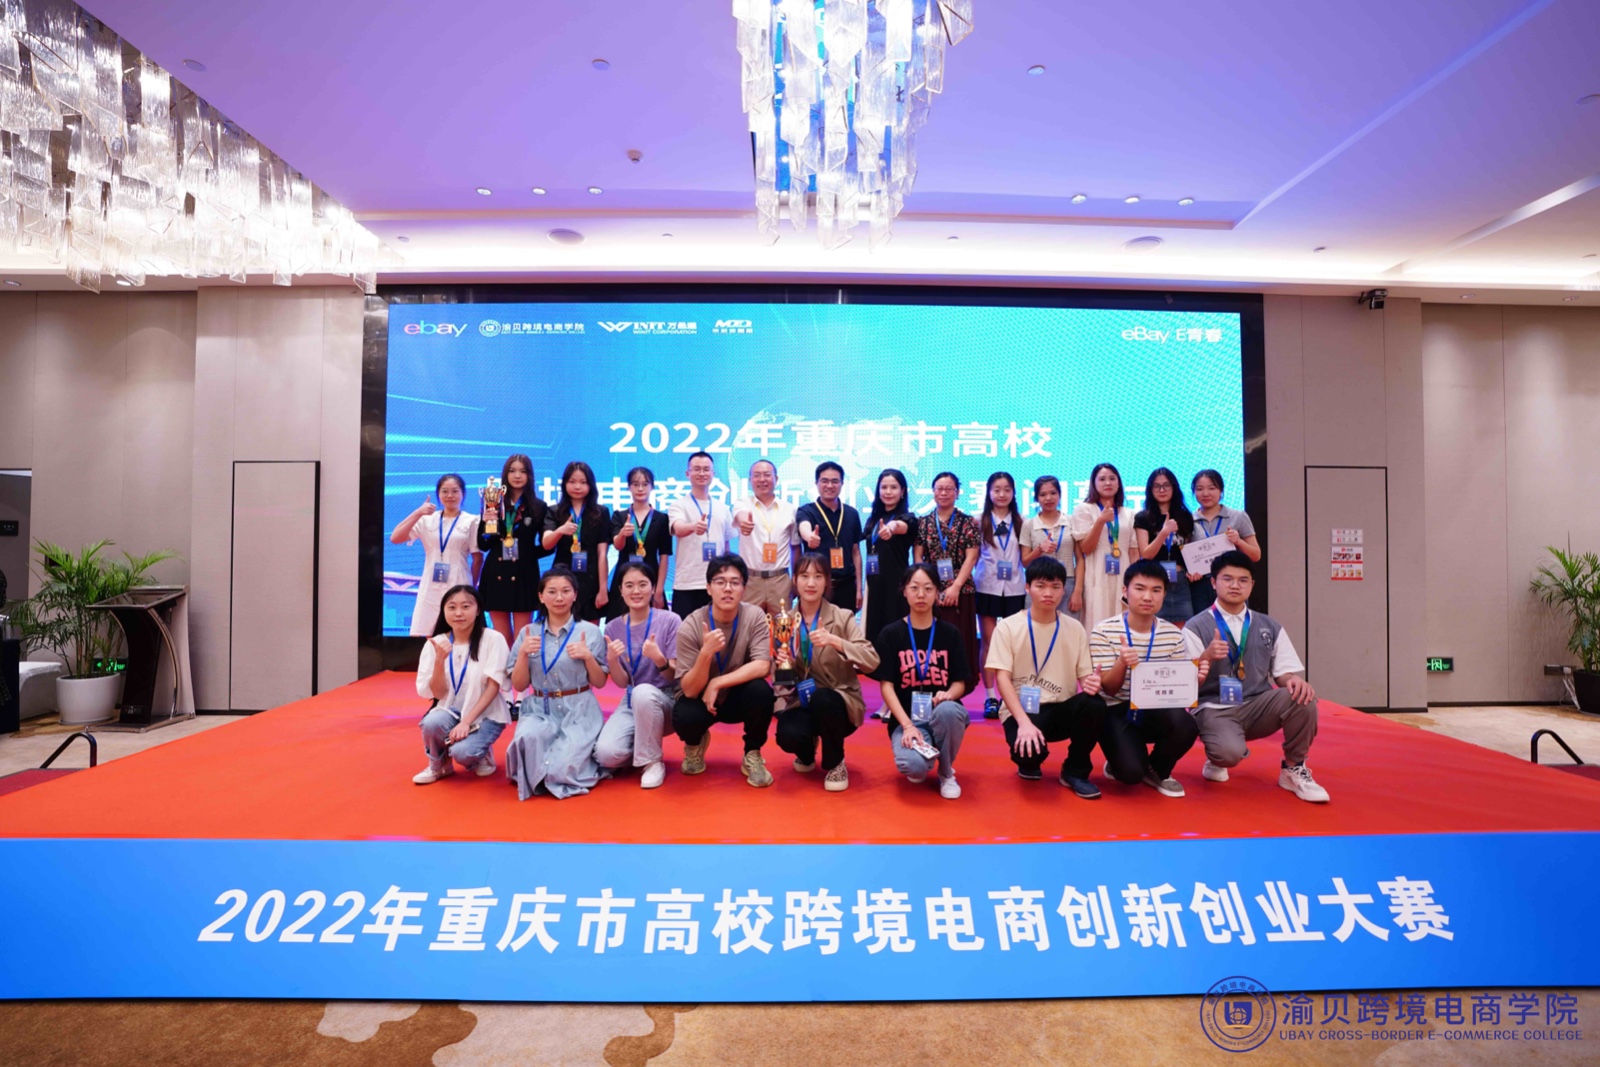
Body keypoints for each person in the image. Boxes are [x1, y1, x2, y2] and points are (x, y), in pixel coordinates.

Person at [1184, 551, 1328, 803]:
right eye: (1227, 579)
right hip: (1214, 707)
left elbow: (1283, 673)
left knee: (1302, 697)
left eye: (1243, 580)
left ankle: (1293, 767)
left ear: (1252, 585)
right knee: (1228, 753)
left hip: (1257, 705)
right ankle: (1216, 757)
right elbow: (1186, 683)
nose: (1235, 585)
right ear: (1213, 582)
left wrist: (1293, 680)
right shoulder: (1195, 626)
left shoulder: (1268, 625)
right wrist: (1206, 656)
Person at [986, 556, 1108, 797]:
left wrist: (1091, 683)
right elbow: (1002, 679)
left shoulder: (1075, 628)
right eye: (1040, 586)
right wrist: (1023, 723)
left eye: (1055, 586)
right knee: (1029, 756)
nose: (1048, 593)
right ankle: (1029, 761)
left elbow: (1085, 677)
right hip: (1021, 710)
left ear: (1064, 590)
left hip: (1060, 708)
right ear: (1027, 587)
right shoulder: (1008, 627)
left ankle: (1075, 770)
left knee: (1094, 704)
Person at [1087, 560, 1207, 797]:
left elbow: (1177, 694)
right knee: (1130, 774)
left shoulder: (1173, 634)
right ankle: (1123, 759)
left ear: (1164, 594)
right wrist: (1122, 662)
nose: (1147, 597)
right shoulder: (1104, 631)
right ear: (1125, 591)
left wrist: (1197, 681)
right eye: (1140, 589)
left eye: (1156, 590)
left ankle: (1157, 769)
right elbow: (1108, 690)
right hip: (1117, 709)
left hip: (1154, 706)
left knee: (1186, 724)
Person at [772, 553, 881, 792]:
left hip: (838, 703)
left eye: (818, 576)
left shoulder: (842, 616)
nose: (811, 583)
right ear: (795, 580)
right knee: (787, 734)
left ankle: (835, 763)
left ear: (827, 581)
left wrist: (835, 641)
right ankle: (806, 750)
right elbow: (779, 681)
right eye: (804, 576)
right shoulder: (785, 621)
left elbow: (872, 660)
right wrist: (783, 664)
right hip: (801, 701)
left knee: (824, 699)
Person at [672, 554, 778, 787]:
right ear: (708, 588)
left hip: (736, 696)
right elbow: (688, 690)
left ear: (744, 589)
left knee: (761, 692)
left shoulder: (754, 616)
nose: (727, 588)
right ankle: (694, 744)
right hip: (701, 699)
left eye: (735, 582)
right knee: (684, 714)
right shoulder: (691, 624)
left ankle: (752, 754)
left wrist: (717, 682)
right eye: (720, 582)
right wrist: (705, 654)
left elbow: (763, 665)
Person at [506, 567, 609, 800]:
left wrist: (588, 657)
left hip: (579, 710)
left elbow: (600, 682)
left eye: (565, 591)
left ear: (575, 595)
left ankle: (578, 759)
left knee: (560, 771)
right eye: (552, 592)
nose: (559, 598)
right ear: (541, 596)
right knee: (527, 741)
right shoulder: (528, 632)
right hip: (539, 710)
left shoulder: (590, 632)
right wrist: (522, 654)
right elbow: (519, 685)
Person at [870, 563, 970, 799]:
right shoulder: (891, 634)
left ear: (937, 593)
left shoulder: (950, 634)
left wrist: (949, 695)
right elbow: (887, 686)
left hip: (942, 716)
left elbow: (960, 682)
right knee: (914, 768)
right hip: (907, 719)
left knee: (948, 710)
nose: (921, 594)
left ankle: (946, 772)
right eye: (914, 588)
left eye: (928, 588)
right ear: (904, 591)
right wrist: (907, 725)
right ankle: (925, 756)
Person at [412, 584, 511, 784]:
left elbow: (493, 687)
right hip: (450, 711)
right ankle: (440, 764)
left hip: (486, 715)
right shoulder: (436, 643)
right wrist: (439, 661)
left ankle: (481, 752)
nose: (458, 613)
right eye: (452, 607)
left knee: (464, 752)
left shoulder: (493, 639)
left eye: (466, 606)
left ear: (478, 610)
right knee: (431, 722)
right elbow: (438, 694)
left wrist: (466, 722)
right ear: (444, 611)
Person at [595, 561, 680, 789]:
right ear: (620, 590)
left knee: (643, 692)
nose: (636, 591)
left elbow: (674, 676)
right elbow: (622, 682)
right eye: (629, 585)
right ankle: (643, 746)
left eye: (643, 584)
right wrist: (612, 660)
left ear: (653, 588)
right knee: (606, 755)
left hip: (666, 699)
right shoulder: (612, 627)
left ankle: (652, 761)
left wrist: (659, 658)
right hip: (631, 699)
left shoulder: (670, 620)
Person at [913, 471, 980, 691]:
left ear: (957, 493)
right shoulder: (923, 522)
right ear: (933, 492)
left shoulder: (968, 522)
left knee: (960, 640)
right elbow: (918, 557)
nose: (943, 493)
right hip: (930, 591)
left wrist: (955, 587)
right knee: (931, 641)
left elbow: (972, 557)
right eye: (939, 488)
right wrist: (929, 589)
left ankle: (958, 688)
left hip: (962, 590)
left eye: (949, 489)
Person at [391, 473, 481, 636]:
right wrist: (418, 512)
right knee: (426, 634)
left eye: (455, 491)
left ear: (463, 494)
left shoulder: (472, 521)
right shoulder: (427, 520)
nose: (450, 495)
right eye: (444, 491)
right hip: (430, 586)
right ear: (438, 494)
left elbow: (478, 559)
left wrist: (471, 587)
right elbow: (395, 538)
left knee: (458, 635)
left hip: (459, 583)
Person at [477, 454, 548, 644]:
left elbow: (547, 547)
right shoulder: (493, 501)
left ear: (530, 475)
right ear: (505, 475)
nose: (517, 475)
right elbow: (483, 545)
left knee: (523, 639)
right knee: (501, 639)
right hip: (496, 572)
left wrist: (527, 554)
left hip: (524, 574)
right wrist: (486, 523)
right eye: (512, 471)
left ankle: (520, 666)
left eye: (523, 471)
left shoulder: (539, 507)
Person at [974, 471, 1027, 719]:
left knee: (1014, 643)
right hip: (987, 586)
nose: (1002, 494)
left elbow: (1025, 557)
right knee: (989, 641)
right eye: (997, 489)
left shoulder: (1022, 521)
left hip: (1015, 587)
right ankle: (990, 696)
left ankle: (1011, 695)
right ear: (988, 492)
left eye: (1007, 489)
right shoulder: (979, 521)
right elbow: (973, 556)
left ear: (1014, 493)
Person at [669, 451, 736, 618]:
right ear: (688, 474)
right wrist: (693, 526)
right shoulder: (678, 505)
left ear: (713, 473)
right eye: (696, 469)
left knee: (717, 629)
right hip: (687, 583)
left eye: (706, 469)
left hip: (717, 583)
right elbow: (678, 528)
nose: (702, 473)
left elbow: (726, 546)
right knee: (686, 630)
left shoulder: (723, 508)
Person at [541, 461, 610, 623]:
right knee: (561, 628)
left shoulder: (601, 512)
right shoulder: (555, 511)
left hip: (591, 579)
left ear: (591, 485)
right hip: (562, 579)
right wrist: (560, 530)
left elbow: (602, 554)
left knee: (591, 631)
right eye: (572, 482)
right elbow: (546, 543)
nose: (577, 486)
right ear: (564, 484)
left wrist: (603, 589)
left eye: (583, 482)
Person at [1070, 463, 1136, 628]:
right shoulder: (1084, 509)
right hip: (1096, 576)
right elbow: (1085, 548)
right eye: (1102, 479)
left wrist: (1134, 581)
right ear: (1094, 483)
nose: (1108, 483)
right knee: (1097, 622)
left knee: (1123, 624)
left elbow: (1133, 552)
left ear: (1118, 483)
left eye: (1112, 479)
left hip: (1123, 575)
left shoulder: (1129, 513)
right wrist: (1100, 521)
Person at [1188, 469, 1261, 613]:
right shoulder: (1188, 520)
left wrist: (1238, 541)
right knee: (1203, 624)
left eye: (1212, 488)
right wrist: (1189, 572)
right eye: (1199, 489)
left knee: (1234, 623)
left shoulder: (1238, 516)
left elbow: (1256, 555)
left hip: (1232, 582)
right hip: (1201, 585)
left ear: (1221, 490)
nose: (1205, 493)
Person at [796, 461, 864, 613]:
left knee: (845, 626)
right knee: (814, 626)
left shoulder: (852, 513)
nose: (830, 485)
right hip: (816, 586)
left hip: (846, 585)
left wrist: (859, 588)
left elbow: (856, 552)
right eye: (824, 481)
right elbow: (803, 526)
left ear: (842, 484)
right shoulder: (806, 511)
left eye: (835, 481)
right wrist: (809, 536)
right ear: (816, 483)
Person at [861, 468, 918, 645]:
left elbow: (900, 526)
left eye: (893, 487)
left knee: (895, 631)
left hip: (896, 584)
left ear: (902, 491)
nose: (888, 492)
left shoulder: (908, 518)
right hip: (873, 582)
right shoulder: (873, 519)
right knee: (873, 630)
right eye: (884, 487)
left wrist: (891, 528)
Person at [606, 466, 672, 619]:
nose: (640, 488)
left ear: (652, 487)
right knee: (619, 622)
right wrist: (623, 533)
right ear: (629, 487)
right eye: (635, 484)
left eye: (645, 484)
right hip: (624, 578)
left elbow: (664, 556)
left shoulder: (662, 519)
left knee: (654, 624)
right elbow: (618, 545)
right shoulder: (619, 516)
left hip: (651, 578)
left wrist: (659, 590)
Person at [733, 459, 799, 611]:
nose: (762, 479)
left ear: (776, 479)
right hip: (750, 580)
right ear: (750, 480)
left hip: (780, 580)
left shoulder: (789, 509)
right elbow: (741, 516)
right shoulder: (742, 504)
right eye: (757, 475)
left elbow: (795, 547)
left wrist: (795, 579)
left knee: (783, 624)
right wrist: (745, 523)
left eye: (767, 475)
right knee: (749, 624)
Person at [1134, 467, 1197, 625]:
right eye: (1157, 486)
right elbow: (1146, 554)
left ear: (1174, 487)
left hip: (1181, 581)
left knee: (1184, 630)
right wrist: (1164, 532)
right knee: (1155, 628)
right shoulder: (1143, 517)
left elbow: (1189, 550)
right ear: (1150, 490)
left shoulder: (1185, 516)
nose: (1162, 490)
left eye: (1166, 485)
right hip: (1154, 580)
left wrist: (1193, 570)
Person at [1021, 475, 1079, 621]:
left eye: (1053, 493)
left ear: (1060, 495)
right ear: (1036, 498)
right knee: (1035, 626)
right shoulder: (1029, 524)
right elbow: (1025, 562)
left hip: (1067, 582)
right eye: (1043, 494)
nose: (1048, 498)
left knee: (1067, 627)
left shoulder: (1071, 521)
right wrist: (1040, 549)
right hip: (1038, 582)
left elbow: (1080, 559)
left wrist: (1078, 591)